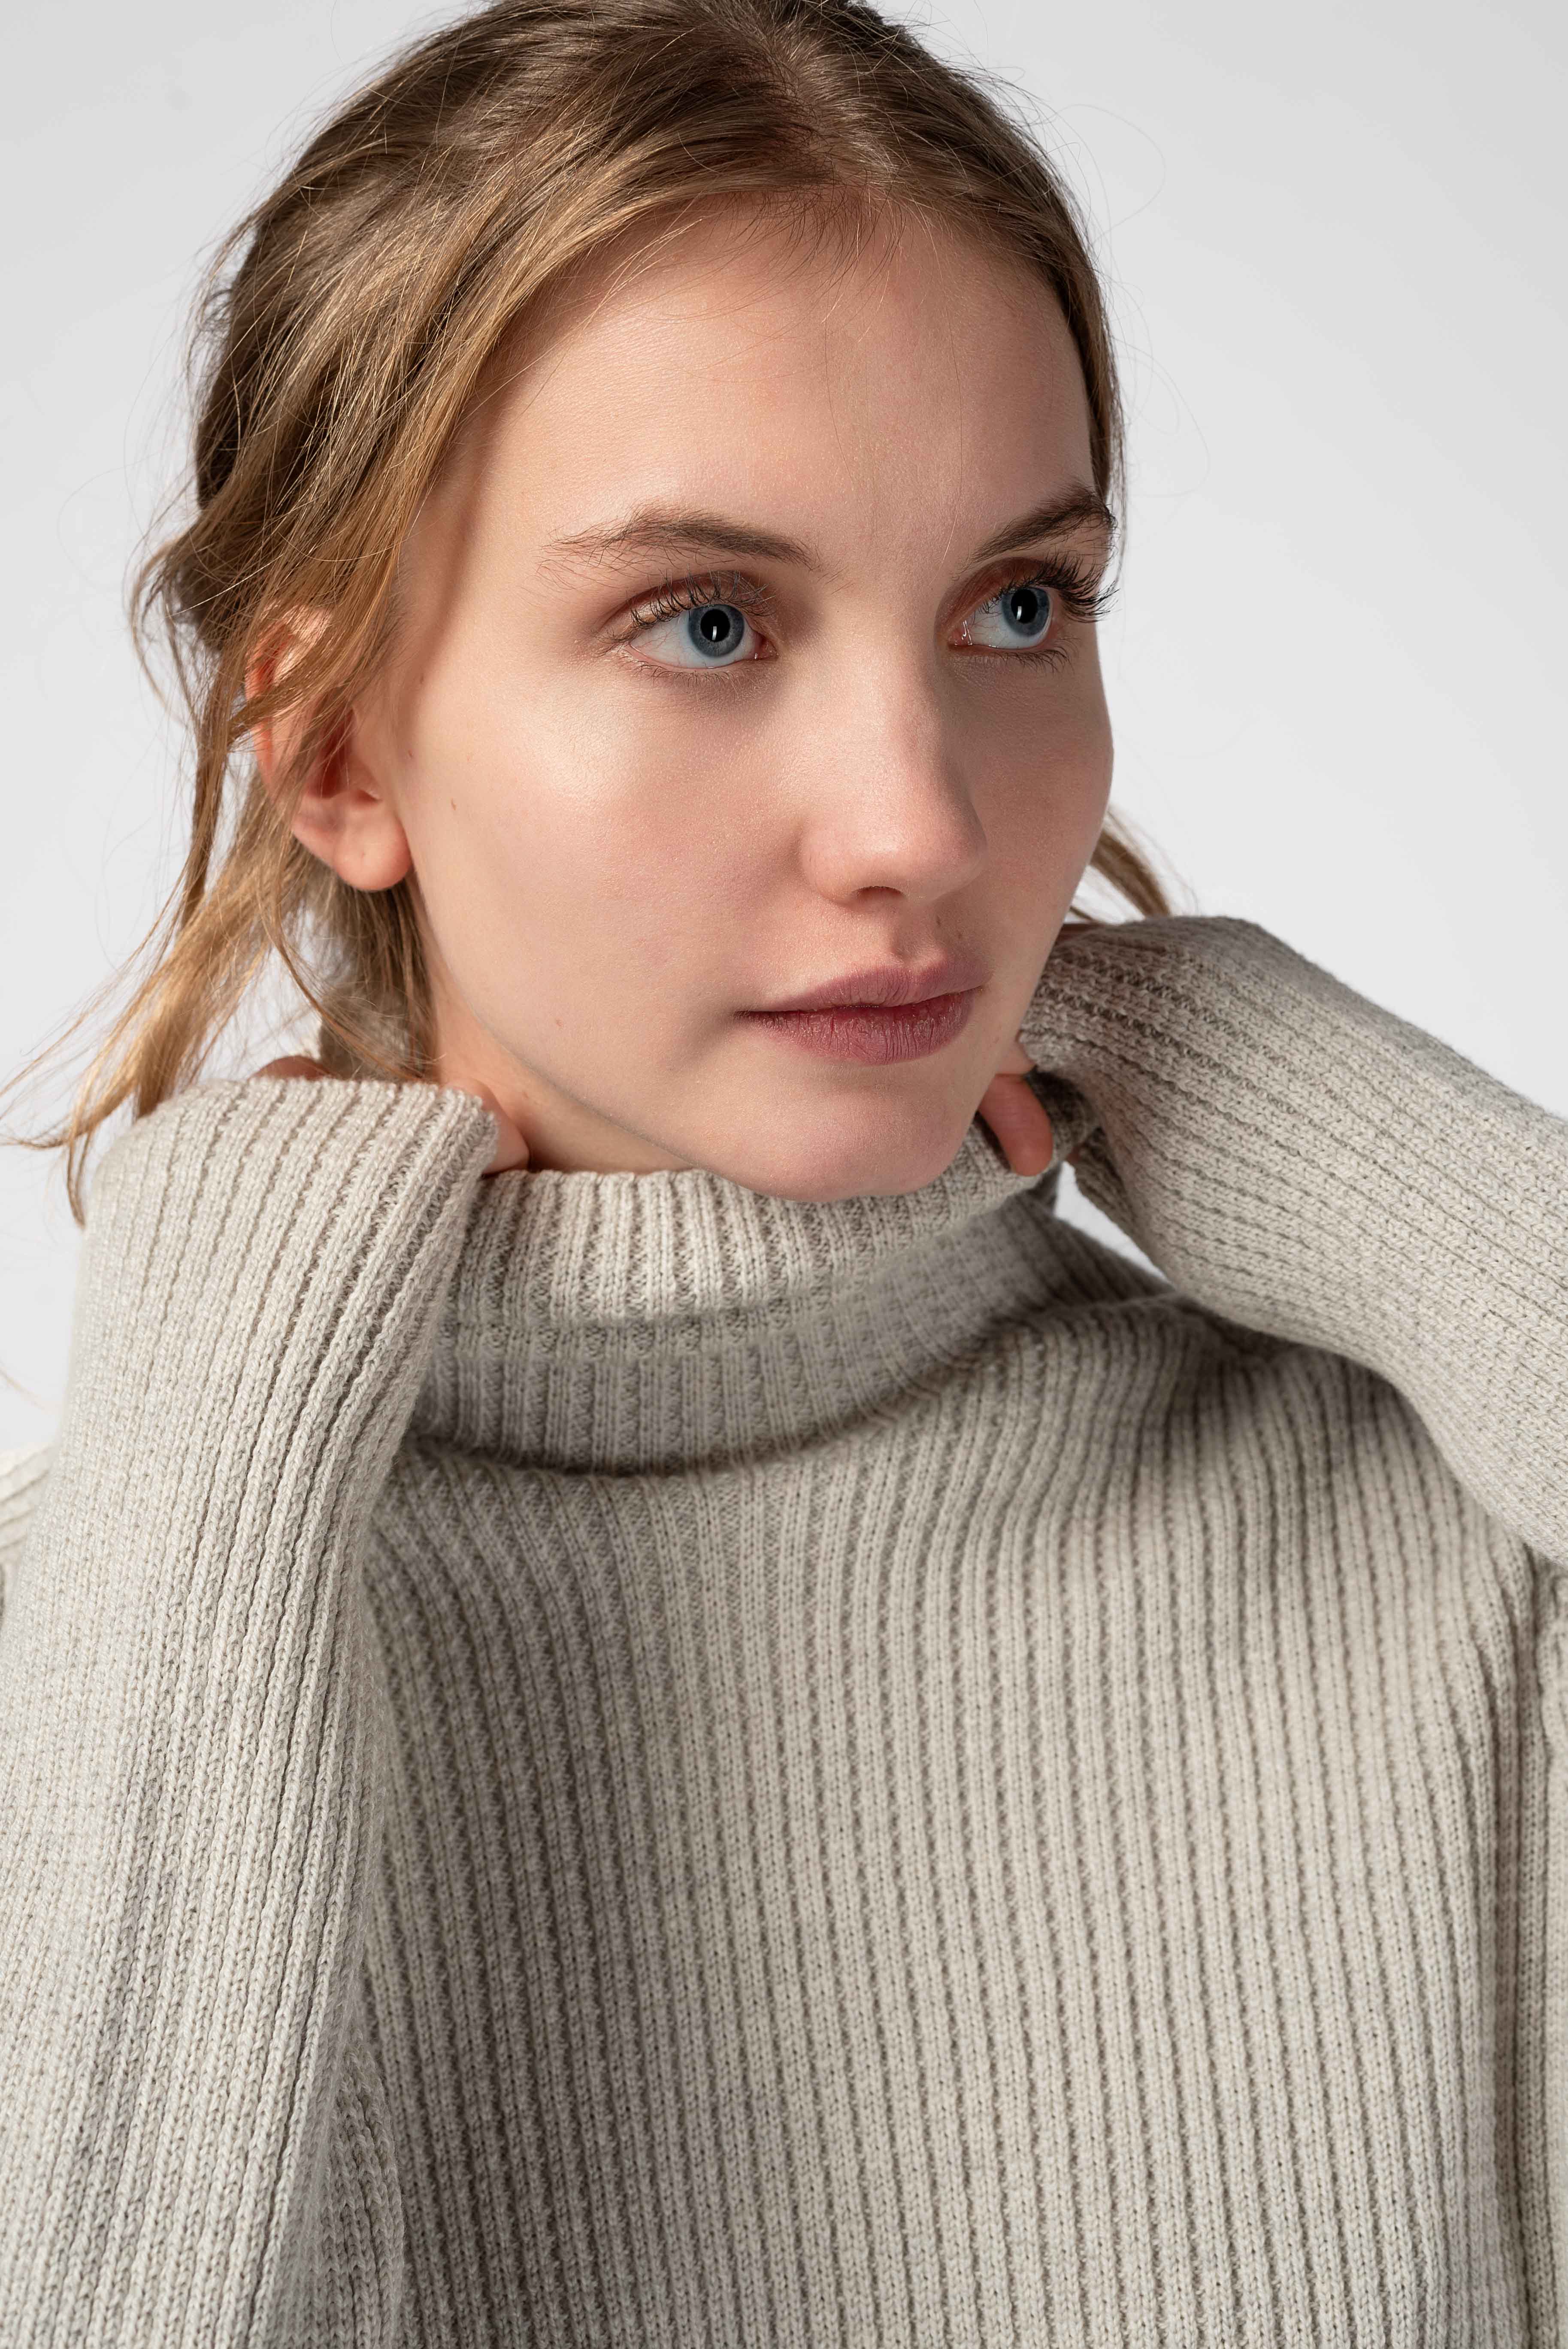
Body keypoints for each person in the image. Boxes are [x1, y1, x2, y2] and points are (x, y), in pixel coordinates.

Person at [1, 0, 1563, 2340]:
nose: (919, 822)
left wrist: (1350, 1140)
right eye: (708, 624)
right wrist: (203, 1491)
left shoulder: (1453, 1568)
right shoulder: (93, 1630)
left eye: (1017, 606)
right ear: (333, 751)